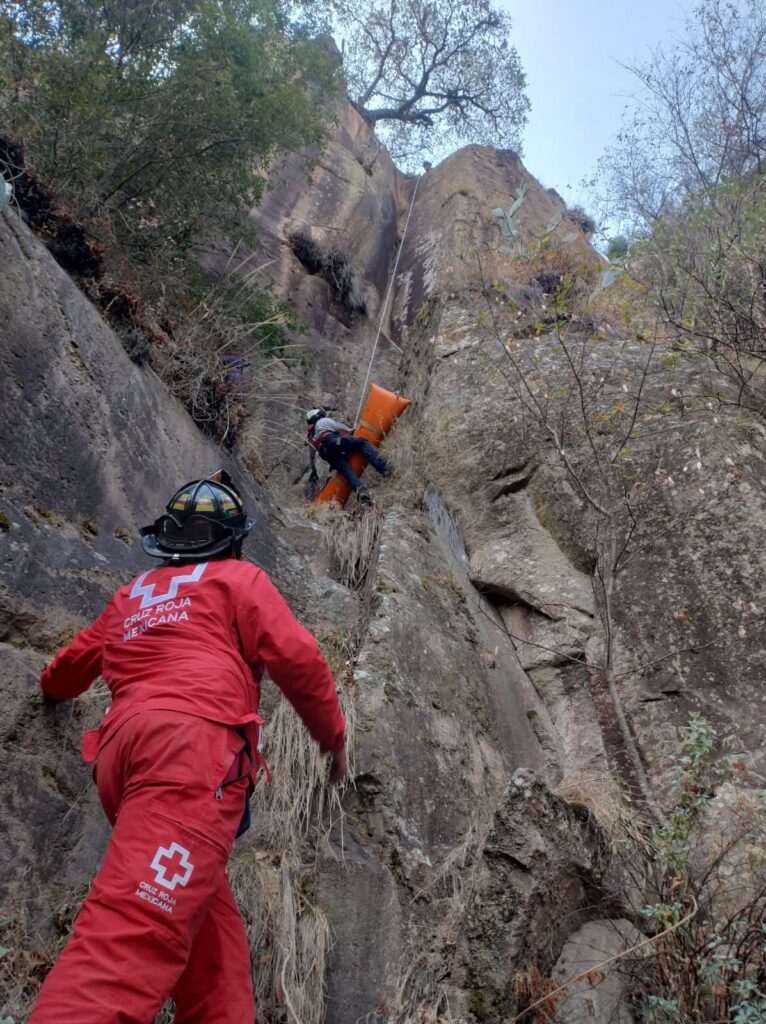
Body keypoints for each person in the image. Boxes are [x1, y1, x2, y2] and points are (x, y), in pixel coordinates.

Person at [31, 470, 347, 1024]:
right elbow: (298, 657)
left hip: (121, 757)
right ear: (234, 541)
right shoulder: (239, 580)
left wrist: (46, 687)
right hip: (191, 755)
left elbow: (67, 671)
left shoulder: (132, 596)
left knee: (215, 950)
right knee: (131, 936)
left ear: (167, 542)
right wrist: (333, 738)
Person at [306, 407, 390, 503]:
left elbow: (312, 456)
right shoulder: (323, 421)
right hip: (333, 442)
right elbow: (339, 428)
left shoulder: (311, 437)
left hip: (330, 457)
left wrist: (314, 471)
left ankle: (361, 491)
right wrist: (351, 431)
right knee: (362, 443)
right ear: (318, 416)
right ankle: (384, 469)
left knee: (347, 469)